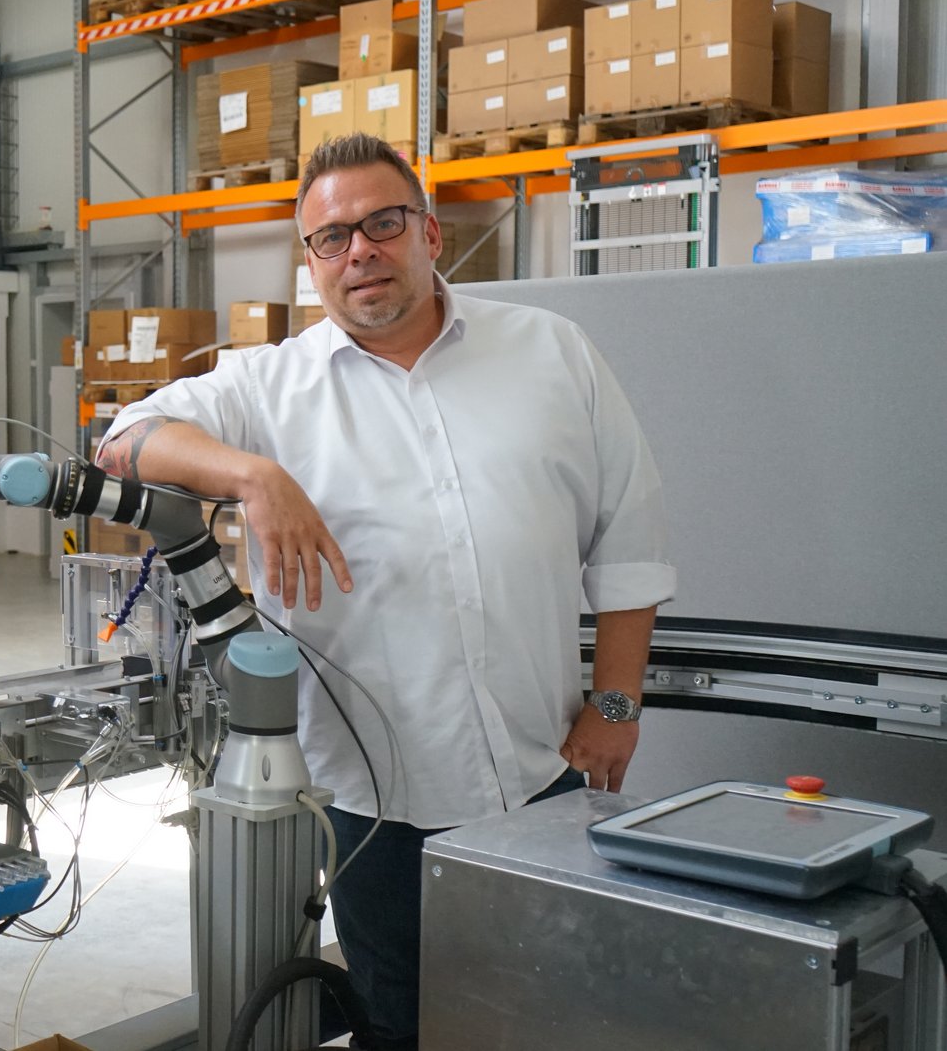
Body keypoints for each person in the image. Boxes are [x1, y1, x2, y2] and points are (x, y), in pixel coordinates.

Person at [98, 133, 674, 1050]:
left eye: (382, 223)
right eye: (332, 237)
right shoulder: (268, 387)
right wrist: (253, 476)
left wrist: (618, 704)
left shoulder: (552, 352)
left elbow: (628, 543)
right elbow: (122, 441)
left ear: (431, 234)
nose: (359, 249)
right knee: (404, 1021)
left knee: (556, 1009)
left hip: (545, 771)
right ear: (312, 263)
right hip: (373, 803)